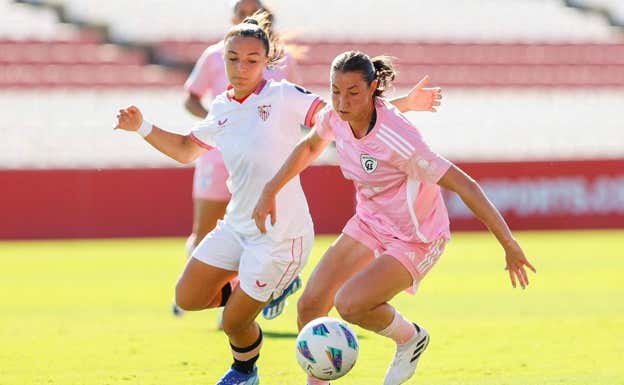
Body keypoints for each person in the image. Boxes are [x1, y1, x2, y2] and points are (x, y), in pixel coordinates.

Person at [115, 13, 440, 385]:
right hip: (237, 224)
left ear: (266, 62)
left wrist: (405, 104)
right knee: (187, 297)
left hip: (279, 236)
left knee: (234, 321)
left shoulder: (283, 95)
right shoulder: (222, 107)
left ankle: (244, 372)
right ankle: (268, 289)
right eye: (233, 58)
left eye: (252, 60)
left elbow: (342, 115)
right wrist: (140, 126)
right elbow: (187, 149)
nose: (240, 67)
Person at [252, 51, 537, 385]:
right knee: (310, 306)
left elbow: (465, 185)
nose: (342, 102)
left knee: (350, 304)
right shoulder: (336, 117)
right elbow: (309, 147)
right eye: (335, 91)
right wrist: (270, 189)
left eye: (353, 93)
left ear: (373, 88)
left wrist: (509, 243)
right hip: (370, 223)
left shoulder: (403, 141)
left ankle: (410, 338)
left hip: (416, 237)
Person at [177, 0, 302, 322]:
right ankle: (220, 291)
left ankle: (260, 290)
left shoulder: (281, 61)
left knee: (259, 231)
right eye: (241, 13)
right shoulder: (214, 55)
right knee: (205, 230)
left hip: (261, 162)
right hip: (216, 156)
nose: (247, 18)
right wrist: (219, 125)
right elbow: (190, 96)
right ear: (232, 19)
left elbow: (297, 109)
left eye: (253, 12)